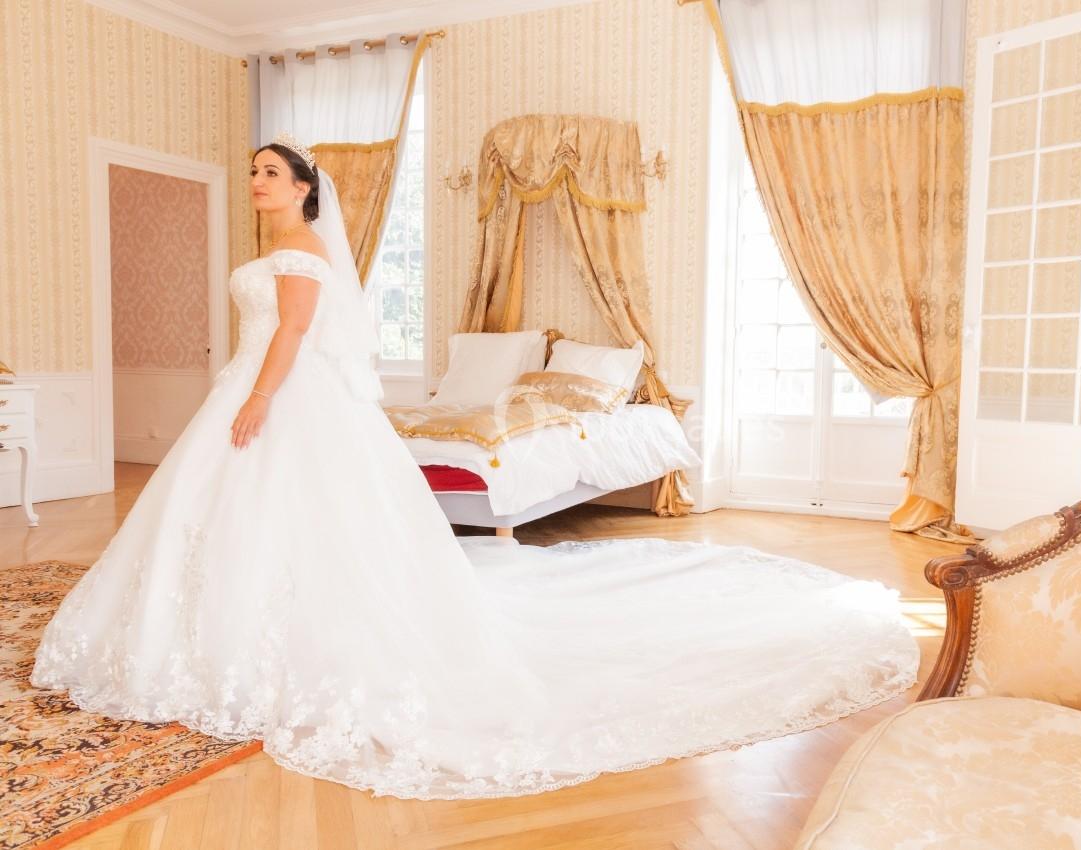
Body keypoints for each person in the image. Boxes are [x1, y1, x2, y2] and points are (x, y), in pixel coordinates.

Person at [29, 133, 919, 800]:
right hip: (258, 385)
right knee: (227, 516)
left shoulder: (299, 255)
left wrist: (257, 399)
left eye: (271, 172)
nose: (257, 181)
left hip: (275, 391)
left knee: (272, 514)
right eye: (254, 171)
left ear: (303, 189)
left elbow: (292, 334)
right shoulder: (280, 253)